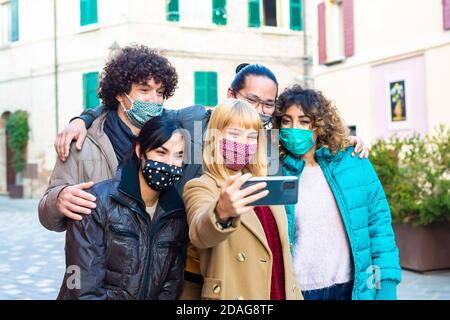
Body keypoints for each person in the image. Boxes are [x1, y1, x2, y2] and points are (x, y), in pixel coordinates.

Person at [38, 44, 207, 232]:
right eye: (144, 90)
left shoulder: (173, 135)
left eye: (160, 92)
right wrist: (58, 199)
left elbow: (205, 115)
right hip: (97, 256)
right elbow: (47, 216)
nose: (154, 100)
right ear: (120, 93)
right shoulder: (82, 141)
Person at [273, 85, 402, 300]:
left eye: (304, 122)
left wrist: (385, 284)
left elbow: (379, 227)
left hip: (351, 289)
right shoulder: (273, 170)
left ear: (320, 126)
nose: (294, 128)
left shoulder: (354, 161)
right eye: (286, 121)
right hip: (298, 292)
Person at [183, 98, 302, 300]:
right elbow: (200, 232)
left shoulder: (266, 186)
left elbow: (284, 261)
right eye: (234, 134)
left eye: (252, 136)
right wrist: (221, 212)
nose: (243, 143)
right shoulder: (202, 186)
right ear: (215, 137)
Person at [58, 116, 189, 299]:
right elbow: (81, 285)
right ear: (139, 151)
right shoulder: (96, 202)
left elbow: (171, 286)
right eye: (161, 152)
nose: (170, 163)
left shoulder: (177, 214)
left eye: (179, 155)